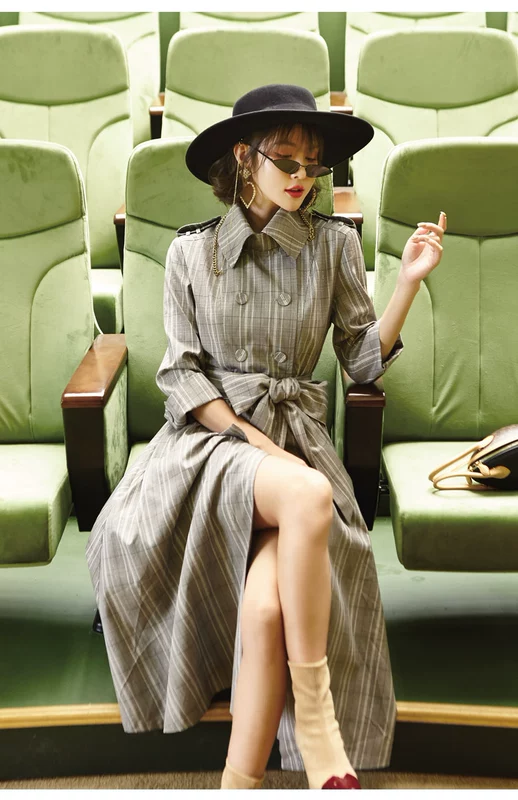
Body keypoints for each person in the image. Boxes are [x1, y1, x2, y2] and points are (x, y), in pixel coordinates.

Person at [86, 84, 446, 790]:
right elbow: (181, 377)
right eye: (287, 159)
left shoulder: (335, 244)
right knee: (309, 496)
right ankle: (318, 723)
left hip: (298, 439)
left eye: (314, 164)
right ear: (244, 158)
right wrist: (259, 446)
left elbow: (361, 361)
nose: (303, 176)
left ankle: (238, 780)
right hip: (210, 446)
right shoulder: (191, 252)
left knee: (267, 608)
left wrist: (406, 283)